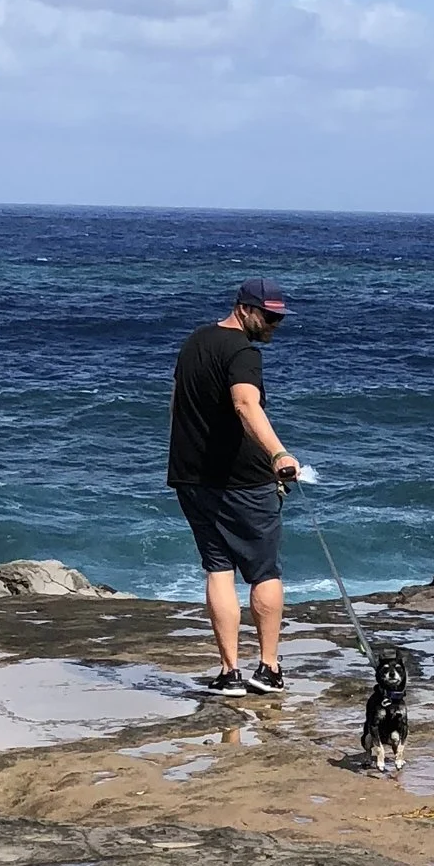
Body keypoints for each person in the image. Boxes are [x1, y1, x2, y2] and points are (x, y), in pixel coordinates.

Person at [167, 277, 302, 696]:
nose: (275, 324)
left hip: (191, 477)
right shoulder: (243, 353)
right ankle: (269, 668)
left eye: (279, 317)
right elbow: (246, 404)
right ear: (244, 309)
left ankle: (229, 673)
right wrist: (280, 455)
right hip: (242, 481)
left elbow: (177, 401)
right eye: (269, 316)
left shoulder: (195, 341)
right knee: (264, 571)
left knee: (219, 570)